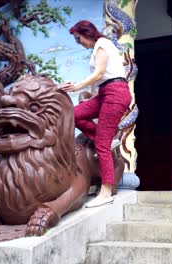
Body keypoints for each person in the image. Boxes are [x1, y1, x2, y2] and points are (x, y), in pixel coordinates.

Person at [60, 20, 131, 208]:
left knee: (101, 145)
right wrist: (88, 97)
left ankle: (106, 191)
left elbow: (100, 73)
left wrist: (76, 87)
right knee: (73, 114)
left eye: (78, 38)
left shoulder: (102, 43)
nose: (78, 42)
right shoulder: (96, 49)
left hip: (115, 92)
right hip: (105, 93)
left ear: (86, 33)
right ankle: (104, 137)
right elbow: (99, 80)